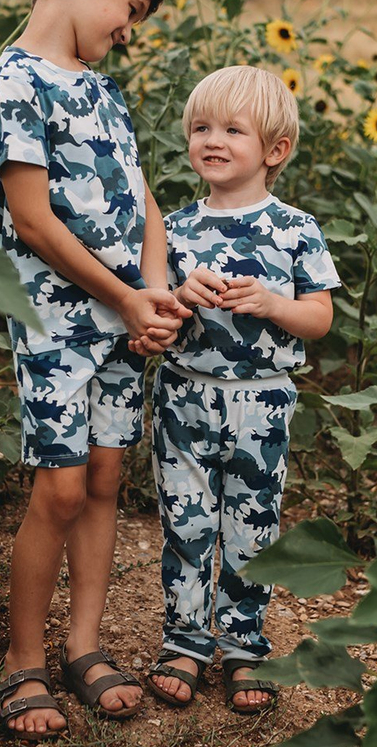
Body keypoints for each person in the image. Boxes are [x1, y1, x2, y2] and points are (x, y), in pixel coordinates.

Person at [0, 0, 189, 737]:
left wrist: (155, 283)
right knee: (59, 491)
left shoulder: (102, 92)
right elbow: (33, 221)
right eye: (131, 9)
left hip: (120, 322)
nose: (130, 29)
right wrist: (124, 296)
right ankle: (21, 661)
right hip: (56, 325)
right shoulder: (14, 84)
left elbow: (141, 197)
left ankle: (85, 645)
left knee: (105, 481)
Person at [141, 66, 340, 713]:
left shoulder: (295, 229)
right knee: (186, 521)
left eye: (232, 129)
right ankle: (186, 642)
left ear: (274, 151)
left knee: (252, 526)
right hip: (184, 394)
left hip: (263, 399)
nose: (212, 140)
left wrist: (274, 303)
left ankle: (245, 643)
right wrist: (177, 297)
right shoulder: (171, 229)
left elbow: (319, 318)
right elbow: (152, 321)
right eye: (200, 127)